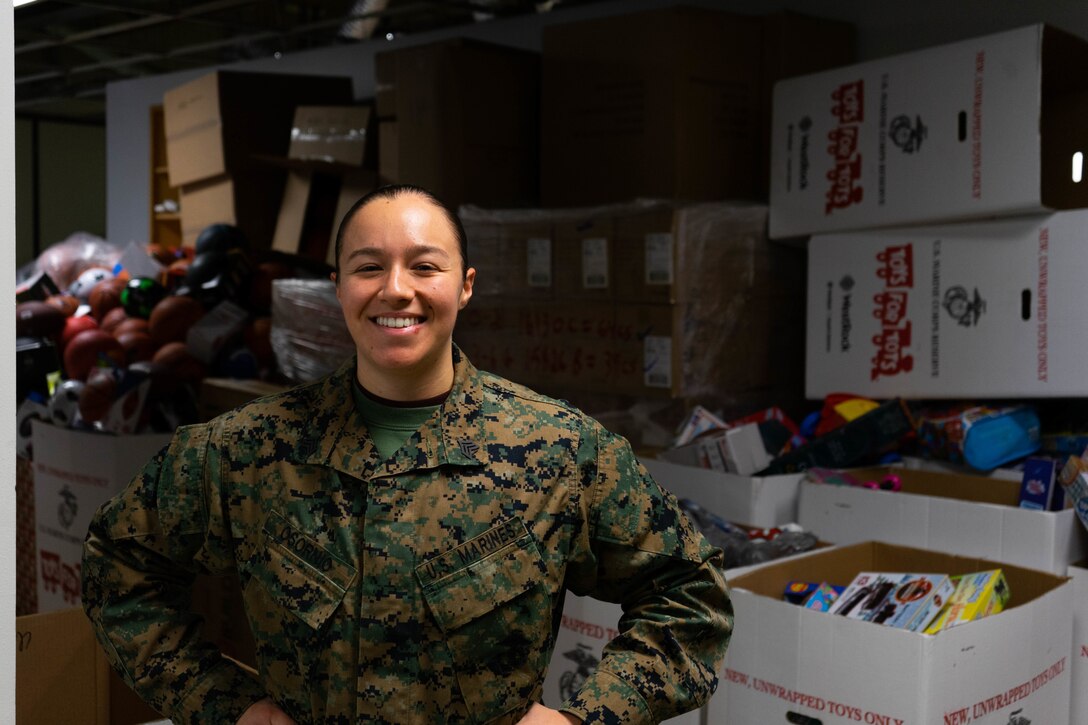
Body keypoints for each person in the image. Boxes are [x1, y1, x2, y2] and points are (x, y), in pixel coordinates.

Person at [82, 184, 733, 724]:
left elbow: (690, 594)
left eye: (425, 265)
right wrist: (225, 704)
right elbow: (119, 567)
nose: (397, 289)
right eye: (369, 267)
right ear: (339, 287)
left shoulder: (560, 451)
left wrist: (589, 716)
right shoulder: (247, 450)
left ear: (466, 285)